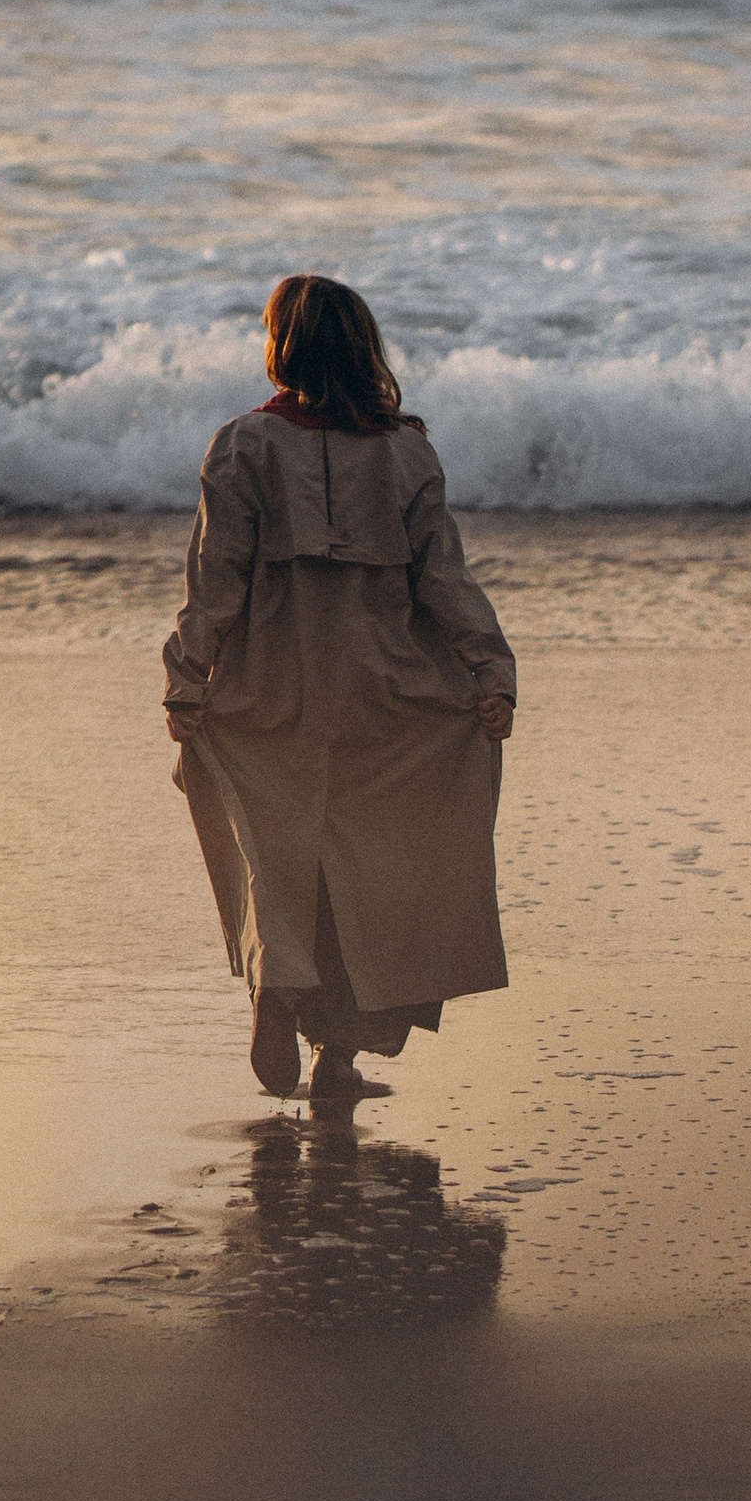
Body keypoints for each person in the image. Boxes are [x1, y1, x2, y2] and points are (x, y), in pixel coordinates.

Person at [164, 275, 517, 1102]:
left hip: (271, 692)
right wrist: (490, 670)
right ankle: (339, 1057)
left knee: (284, 856)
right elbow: (447, 582)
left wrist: (187, 677)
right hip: (384, 695)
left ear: (282, 347)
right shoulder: (404, 452)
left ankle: (280, 987)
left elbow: (214, 583)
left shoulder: (242, 446)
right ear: (365, 350)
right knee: (375, 870)